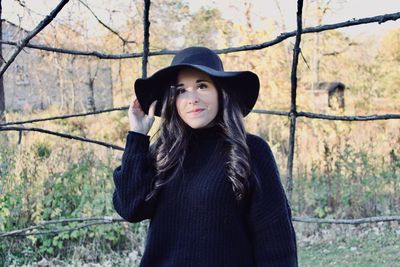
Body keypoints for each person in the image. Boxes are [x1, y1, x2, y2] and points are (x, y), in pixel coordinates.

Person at [112, 46, 298, 266]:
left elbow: (275, 243)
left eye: (202, 86)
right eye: (181, 90)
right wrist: (137, 135)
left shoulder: (251, 150)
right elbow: (130, 208)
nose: (192, 98)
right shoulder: (164, 151)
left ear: (221, 92)